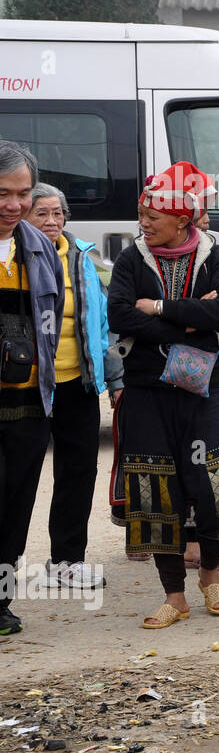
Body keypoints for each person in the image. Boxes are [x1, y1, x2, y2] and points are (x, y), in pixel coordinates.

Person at [107, 161, 219, 629]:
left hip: (202, 392)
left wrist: (162, 308)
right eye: (142, 215)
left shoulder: (216, 256)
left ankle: (210, 572)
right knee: (155, 491)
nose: (143, 224)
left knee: (217, 483)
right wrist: (190, 319)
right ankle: (174, 595)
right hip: (147, 392)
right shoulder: (131, 259)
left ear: (183, 220)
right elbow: (122, 317)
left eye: (152, 216)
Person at [27, 183, 123, 589]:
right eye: (41, 214)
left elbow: (105, 324)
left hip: (78, 384)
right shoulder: (17, 257)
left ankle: (66, 560)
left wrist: (115, 379)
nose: (51, 222)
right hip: (27, 387)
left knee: (79, 471)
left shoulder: (85, 257)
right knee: (16, 475)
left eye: (57, 213)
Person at [0, 142, 64, 635]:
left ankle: (0, 602)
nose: (14, 205)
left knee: (17, 502)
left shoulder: (39, 247)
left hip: (26, 403)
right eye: (3, 193)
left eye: (22, 194)